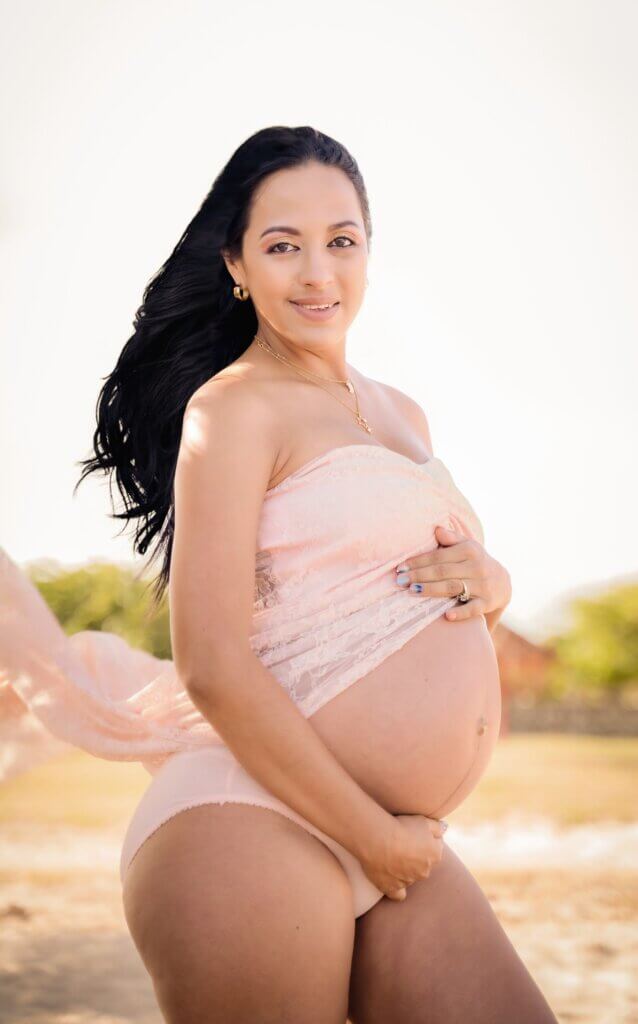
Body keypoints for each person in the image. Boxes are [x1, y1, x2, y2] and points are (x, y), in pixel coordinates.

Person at [0, 125, 559, 1023]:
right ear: (236, 263)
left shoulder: (401, 411)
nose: (317, 272)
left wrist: (492, 585)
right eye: (281, 245)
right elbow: (212, 662)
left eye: (341, 241)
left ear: (369, 250)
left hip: (391, 840)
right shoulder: (232, 408)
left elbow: (384, 607)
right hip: (250, 820)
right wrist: (372, 837)